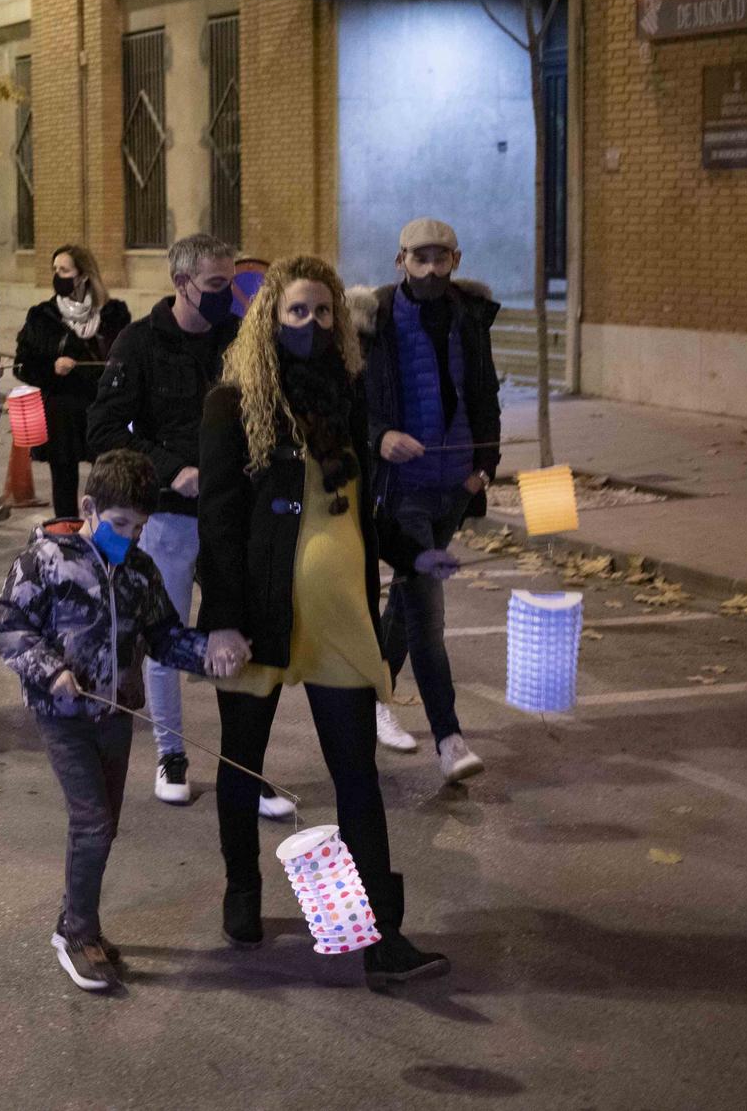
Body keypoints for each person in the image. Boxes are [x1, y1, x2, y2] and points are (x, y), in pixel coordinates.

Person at [198, 254, 458, 988]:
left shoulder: (344, 394)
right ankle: (241, 888)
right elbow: (219, 520)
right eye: (298, 313)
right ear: (271, 318)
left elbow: (366, 501)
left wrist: (414, 554)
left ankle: (379, 937)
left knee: (356, 775)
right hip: (260, 613)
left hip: (342, 611)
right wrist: (221, 622)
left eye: (322, 312)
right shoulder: (233, 401)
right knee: (241, 760)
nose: (311, 324)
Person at [0, 449, 223, 990]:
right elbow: (6, 624)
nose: (132, 537)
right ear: (90, 508)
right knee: (92, 822)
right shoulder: (46, 559)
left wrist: (207, 651)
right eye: (120, 525)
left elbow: (162, 635)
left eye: (140, 527)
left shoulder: (139, 569)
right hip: (63, 715)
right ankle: (77, 932)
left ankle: (76, 918)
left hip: (116, 715)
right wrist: (49, 671)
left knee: (105, 825)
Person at [86, 232, 243, 807]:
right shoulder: (139, 343)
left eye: (231, 283)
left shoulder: (240, 339)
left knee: (236, 635)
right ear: (182, 284)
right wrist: (172, 470)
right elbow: (104, 430)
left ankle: (242, 762)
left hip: (232, 518)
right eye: (216, 285)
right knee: (166, 636)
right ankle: (170, 754)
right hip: (172, 522)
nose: (228, 295)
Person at [352, 217, 500, 780]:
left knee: (407, 604)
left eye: (441, 258)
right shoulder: (376, 319)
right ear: (401, 261)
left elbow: (485, 393)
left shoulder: (471, 316)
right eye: (420, 258)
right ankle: (450, 738)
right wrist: (380, 437)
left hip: (455, 487)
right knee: (427, 616)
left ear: (456, 261)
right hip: (403, 491)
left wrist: (484, 469)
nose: (431, 268)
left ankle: (372, 698)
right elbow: (357, 399)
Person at [13, 244, 132, 519]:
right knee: (64, 483)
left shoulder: (113, 314)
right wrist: (51, 368)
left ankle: (101, 535)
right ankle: (65, 538)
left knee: (106, 481)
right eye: (55, 269)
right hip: (61, 412)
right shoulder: (42, 316)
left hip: (100, 409)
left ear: (83, 275)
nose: (58, 275)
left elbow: (126, 361)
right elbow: (22, 365)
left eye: (64, 270)